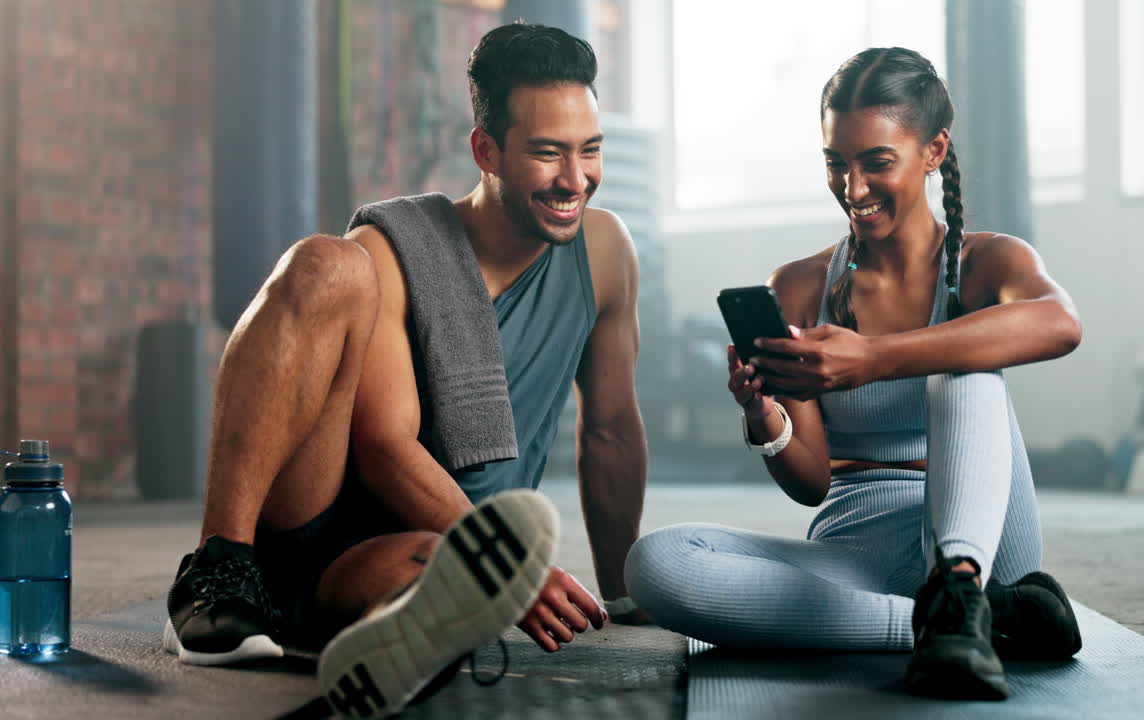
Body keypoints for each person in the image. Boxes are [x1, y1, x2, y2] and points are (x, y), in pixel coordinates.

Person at [162, 22, 649, 717]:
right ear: (487, 150)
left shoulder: (604, 253)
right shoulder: (396, 250)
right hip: (318, 525)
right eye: (547, 154)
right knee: (329, 263)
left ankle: (398, 638)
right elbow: (385, 447)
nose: (575, 180)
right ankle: (218, 573)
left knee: (446, 586)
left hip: (416, 552)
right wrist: (506, 561)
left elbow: (610, 432)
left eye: (588, 151)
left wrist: (623, 596)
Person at [624, 46, 1083, 700]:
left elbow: (1062, 323)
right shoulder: (802, 284)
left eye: (877, 163)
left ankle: (961, 592)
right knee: (657, 566)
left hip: (986, 548)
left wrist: (870, 359)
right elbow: (811, 483)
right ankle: (965, 626)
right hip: (854, 550)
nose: (853, 188)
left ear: (933, 150)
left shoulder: (986, 262)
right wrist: (766, 418)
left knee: (964, 361)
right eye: (836, 164)